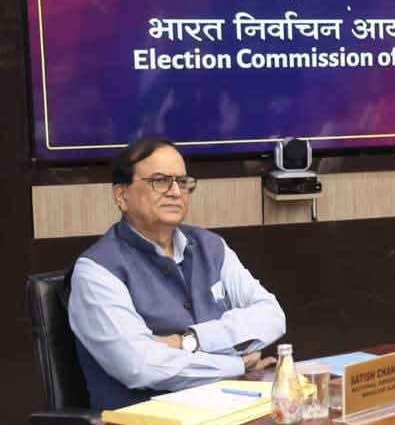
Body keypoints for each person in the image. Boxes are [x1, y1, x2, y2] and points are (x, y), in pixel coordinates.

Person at [68, 138, 286, 410]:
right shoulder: (96, 271)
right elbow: (141, 365)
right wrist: (236, 364)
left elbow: (272, 316)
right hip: (145, 424)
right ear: (122, 195)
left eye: (182, 182)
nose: (175, 192)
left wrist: (190, 341)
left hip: (227, 410)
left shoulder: (211, 246)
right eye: (159, 181)